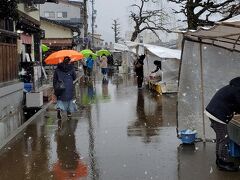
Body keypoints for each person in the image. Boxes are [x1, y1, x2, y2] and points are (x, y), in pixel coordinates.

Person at [205, 77, 240, 172]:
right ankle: (223, 163)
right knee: (224, 139)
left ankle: (219, 160)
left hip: (213, 111)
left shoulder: (233, 87)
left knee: (221, 138)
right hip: (217, 114)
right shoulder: (237, 90)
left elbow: (234, 105)